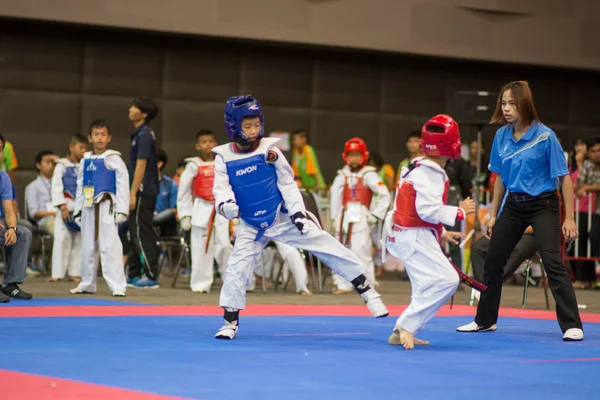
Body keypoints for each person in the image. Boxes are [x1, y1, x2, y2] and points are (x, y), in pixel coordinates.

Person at [212, 95, 389, 339]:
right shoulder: (223, 157)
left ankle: (368, 292)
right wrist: (225, 205)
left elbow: (287, 182)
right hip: (251, 225)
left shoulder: (270, 150)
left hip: (282, 216)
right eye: (247, 126)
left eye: (256, 125)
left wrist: (297, 212)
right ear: (234, 126)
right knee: (236, 269)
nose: (253, 131)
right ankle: (229, 322)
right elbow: (221, 189)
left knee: (325, 244)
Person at [456, 81, 583, 341]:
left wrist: (569, 217)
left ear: (525, 104)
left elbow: (564, 178)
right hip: (513, 206)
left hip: (544, 205)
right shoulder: (501, 135)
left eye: (512, 103)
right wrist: (493, 214)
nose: (506, 108)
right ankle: (485, 320)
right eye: (503, 103)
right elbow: (501, 177)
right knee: (493, 260)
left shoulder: (546, 136)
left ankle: (572, 324)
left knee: (552, 262)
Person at [383, 114, 475, 350]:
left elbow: (413, 206)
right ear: (453, 145)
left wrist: (443, 232)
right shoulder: (432, 172)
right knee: (448, 280)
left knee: (424, 284)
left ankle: (402, 331)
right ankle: (407, 325)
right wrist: (460, 212)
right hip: (414, 236)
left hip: (407, 233)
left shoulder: (415, 166)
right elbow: (426, 209)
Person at [70, 119, 129, 297]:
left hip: (107, 205)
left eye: (103, 134)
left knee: (110, 245)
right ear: (90, 137)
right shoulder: (85, 159)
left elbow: (122, 184)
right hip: (88, 206)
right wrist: (77, 209)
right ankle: (87, 282)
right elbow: (80, 185)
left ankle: (117, 285)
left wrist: (122, 209)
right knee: (87, 245)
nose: (100, 138)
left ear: (109, 138)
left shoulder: (114, 159)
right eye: (96, 134)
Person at [330, 138, 390, 293]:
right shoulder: (341, 175)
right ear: (346, 156)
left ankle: (367, 283)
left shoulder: (369, 174)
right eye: (351, 155)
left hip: (361, 216)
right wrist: (334, 218)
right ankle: (342, 283)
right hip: (343, 216)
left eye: (357, 155)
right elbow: (335, 196)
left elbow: (384, 194)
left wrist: (376, 215)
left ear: (363, 156)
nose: (354, 158)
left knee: (361, 248)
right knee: (341, 251)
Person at [177, 129, 232, 293]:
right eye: (204, 142)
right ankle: (201, 284)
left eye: (210, 141)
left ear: (215, 144)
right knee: (201, 247)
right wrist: (185, 214)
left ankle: (231, 281)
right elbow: (183, 191)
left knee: (224, 245)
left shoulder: (223, 163)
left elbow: (231, 186)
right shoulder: (193, 165)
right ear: (197, 146)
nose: (208, 145)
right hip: (201, 207)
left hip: (221, 208)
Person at [127, 95, 161, 289]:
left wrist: (132, 192)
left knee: (142, 232)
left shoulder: (146, 134)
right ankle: (134, 273)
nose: (131, 109)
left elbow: (142, 165)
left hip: (143, 191)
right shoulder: (139, 134)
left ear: (144, 114)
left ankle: (150, 275)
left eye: (135, 107)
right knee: (134, 231)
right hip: (138, 189)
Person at [49, 134, 88, 282]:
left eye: (85, 148)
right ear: (72, 147)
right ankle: (57, 274)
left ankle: (74, 272)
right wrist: (62, 206)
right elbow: (56, 187)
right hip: (66, 206)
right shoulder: (61, 165)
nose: (83, 151)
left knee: (79, 240)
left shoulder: (86, 165)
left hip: (81, 206)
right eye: (80, 147)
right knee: (61, 239)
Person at [0, 133, 33, 302]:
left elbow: (9, 211)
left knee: (23, 232)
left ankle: (9, 284)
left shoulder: (3, 178)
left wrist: (12, 228)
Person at [574, 139, 600, 289]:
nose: (597, 154)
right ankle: (584, 278)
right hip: (588, 210)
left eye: (599, 151)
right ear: (589, 153)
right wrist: (588, 188)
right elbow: (578, 186)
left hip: (595, 210)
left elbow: (585, 187)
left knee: (595, 236)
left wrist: (588, 188)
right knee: (581, 239)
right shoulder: (587, 165)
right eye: (594, 151)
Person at [25, 150, 58, 235]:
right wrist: (53, 213)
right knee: (60, 231)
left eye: (53, 163)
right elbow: (34, 213)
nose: (51, 166)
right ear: (38, 165)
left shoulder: (59, 183)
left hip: (60, 217)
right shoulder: (32, 186)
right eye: (47, 162)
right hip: (45, 220)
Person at [153, 148, 179, 238]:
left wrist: (157, 220)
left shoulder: (171, 184)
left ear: (159, 164)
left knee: (170, 217)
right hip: (145, 222)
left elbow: (173, 210)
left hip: (164, 223)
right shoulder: (140, 184)